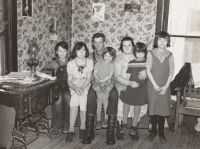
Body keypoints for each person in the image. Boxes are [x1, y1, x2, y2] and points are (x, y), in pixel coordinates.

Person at [114, 37, 147, 140]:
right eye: (124, 45)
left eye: (129, 45)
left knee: (141, 104)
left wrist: (146, 71)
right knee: (122, 103)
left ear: (133, 46)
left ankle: (134, 125)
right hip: (123, 86)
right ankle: (121, 125)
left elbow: (152, 64)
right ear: (121, 47)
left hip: (139, 88)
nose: (127, 47)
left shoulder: (139, 55)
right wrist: (129, 83)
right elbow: (117, 76)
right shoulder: (119, 58)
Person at [146, 31, 174, 144]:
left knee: (162, 110)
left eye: (165, 40)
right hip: (153, 86)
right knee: (153, 110)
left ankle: (161, 133)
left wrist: (165, 87)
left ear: (168, 42)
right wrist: (155, 85)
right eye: (160, 40)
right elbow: (148, 70)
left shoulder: (170, 55)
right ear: (156, 41)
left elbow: (171, 72)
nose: (162, 42)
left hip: (165, 87)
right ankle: (153, 132)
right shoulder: (150, 53)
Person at [66, 41, 93, 142]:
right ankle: (71, 129)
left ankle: (82, 128)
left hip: (85, 86)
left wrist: (81, 88)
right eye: (79, 50)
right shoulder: (70, 63)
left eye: (84, 50)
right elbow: (69, 81)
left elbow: (88, 79)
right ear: (75, 51)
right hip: (74, 86)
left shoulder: (89, 62)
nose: (82, 52)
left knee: (83, 100)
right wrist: (75, 88)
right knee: (74, 101)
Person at [42, 41, 71, 134]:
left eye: (64, 51)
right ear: (56, 52)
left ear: (67, 51)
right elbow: (43, 72)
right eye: (60, 51)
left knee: (68, 98)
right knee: (58, 100)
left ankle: (66, 124)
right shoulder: (54, 63)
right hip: (57, 86)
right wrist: (50, 76)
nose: (62, 53)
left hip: (69, 85)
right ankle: (56, 125)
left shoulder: (71, 62)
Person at [93, 47, 116, 130]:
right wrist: (98, 80)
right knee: (98, 103)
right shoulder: (98, 63)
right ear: (103, 55)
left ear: (113, 57)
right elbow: (95, 73)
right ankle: (98, 120)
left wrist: (102, 81)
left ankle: (106, 119)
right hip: (98, 84)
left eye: (110, 56)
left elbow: (110, 76)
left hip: (106, 84)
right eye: (106, 55)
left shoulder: (112, 65)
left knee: (105, 102)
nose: (107, 58)